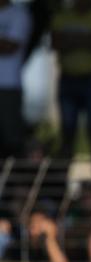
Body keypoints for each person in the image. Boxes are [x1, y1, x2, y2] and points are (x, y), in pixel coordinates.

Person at [50, 0, 91, 156]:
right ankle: (63, 175)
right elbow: (57, 43)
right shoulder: (61, 17)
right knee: (67, 130)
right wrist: (86, 39)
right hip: (68, 78)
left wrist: (70, 39)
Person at [0, 0, 31, 157]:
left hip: (8, 85)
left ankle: (14, 179)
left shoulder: (19, 14)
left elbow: (10, 47)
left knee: (11, 137)